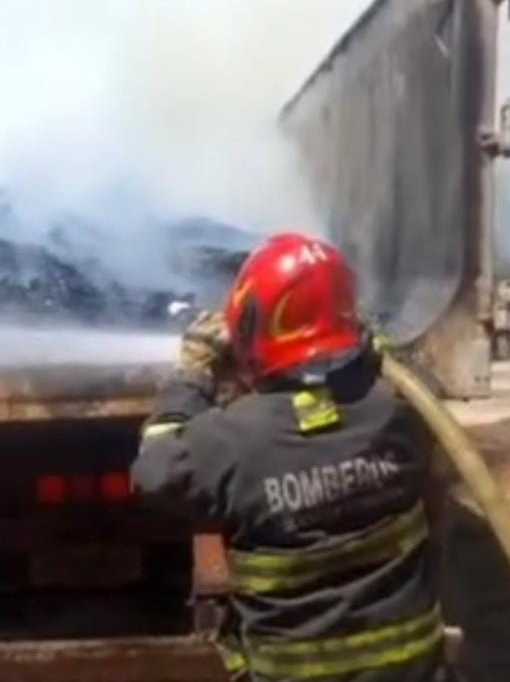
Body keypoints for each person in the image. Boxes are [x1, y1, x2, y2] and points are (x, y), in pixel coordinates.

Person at [131, 232, 452, 682]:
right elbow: (414, 395)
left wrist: (192, 375)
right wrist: (365, 357)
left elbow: (155, 472)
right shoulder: (399, 416)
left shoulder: (234, 442)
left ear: (250, 327)